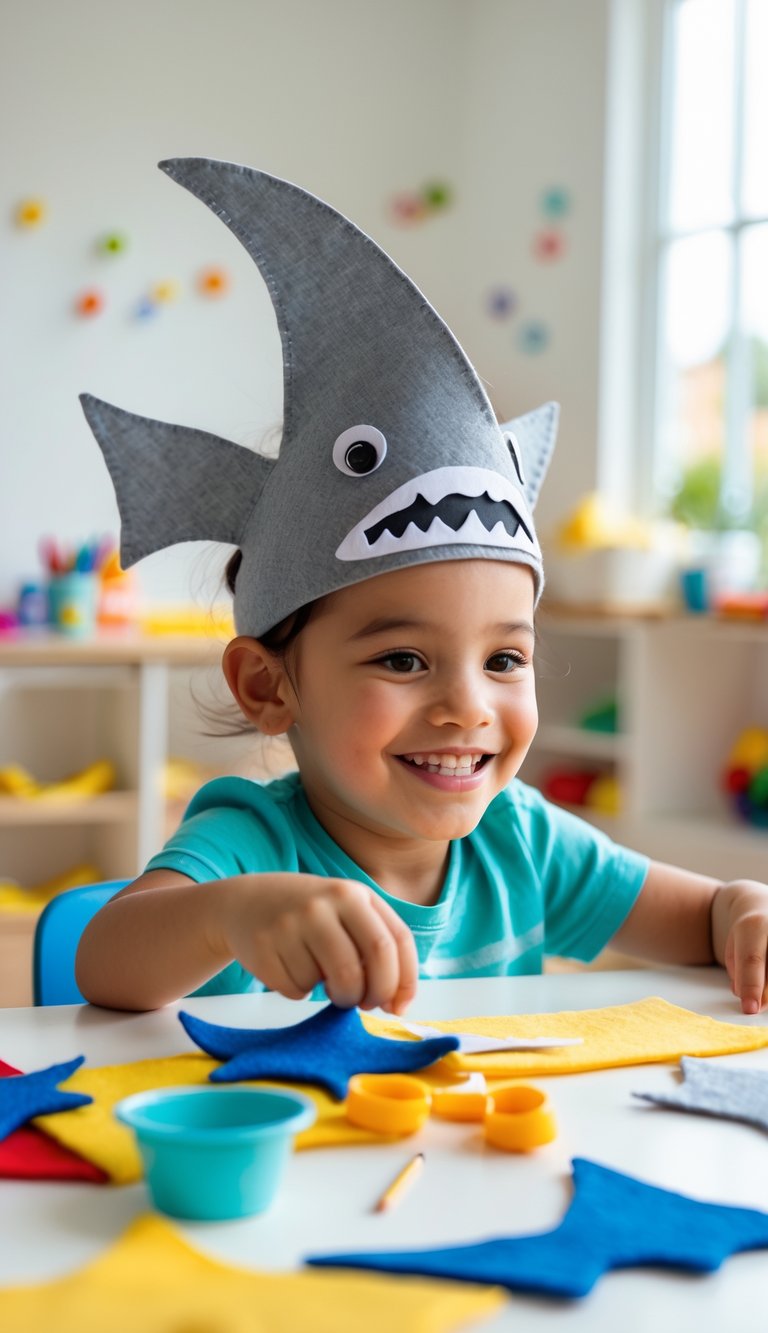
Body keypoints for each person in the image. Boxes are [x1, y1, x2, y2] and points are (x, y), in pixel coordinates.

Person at [75, 157, 768, 1017]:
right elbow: (105, 962)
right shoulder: (253, 843)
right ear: (268, 685)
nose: (467, 706)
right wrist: (230, 914)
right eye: (404, 658)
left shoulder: (523, 840)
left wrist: (741, 905)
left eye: (506, 657)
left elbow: (702, 920)